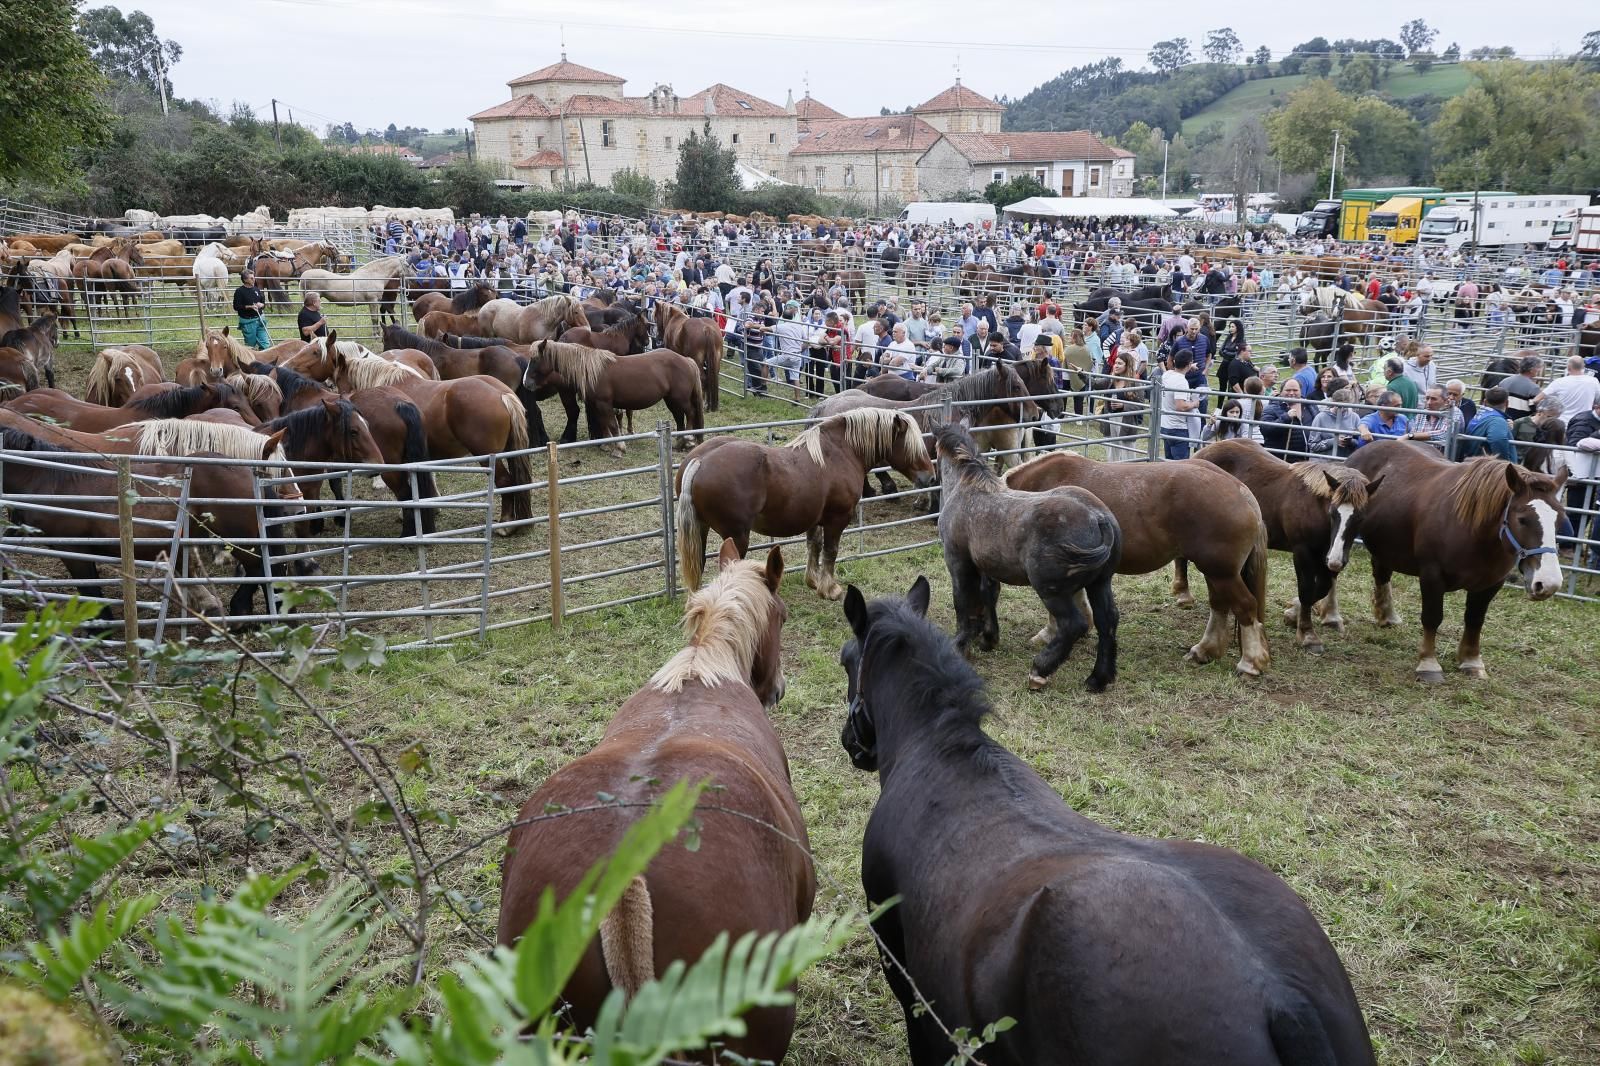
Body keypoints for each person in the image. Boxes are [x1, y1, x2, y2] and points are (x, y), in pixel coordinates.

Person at [1159, 349, 1199, 459]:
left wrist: (1190, 366)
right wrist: (1194, 404)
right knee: (1181, 467)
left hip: (1165, 425)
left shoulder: (1167, 374)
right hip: (1178, 428)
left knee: (1169, 463)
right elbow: (1180, 406)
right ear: (1189, 364)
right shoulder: (1181, 382)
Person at [1461, 386, 1517, 461]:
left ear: (1484, 402)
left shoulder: (1480, 415)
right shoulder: (1497, 421)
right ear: (1507, 403)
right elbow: (1498, 440)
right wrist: (1504, 464)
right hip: (1487, 468)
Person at [1540, 355, 1600, 423]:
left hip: (1561, 423)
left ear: (1568, 368)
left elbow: (1538, 399)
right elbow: (1598, 401)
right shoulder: (1593, 381)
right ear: (1583, 367)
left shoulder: (1559, 382)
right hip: (1582, 422)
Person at [1260, 378, 1309, 460]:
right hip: (1282, 461)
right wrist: (1286, 417)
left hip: (1307, 461)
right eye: (1288, 390)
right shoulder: (1271, 408)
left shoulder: (1309, 406)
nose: (1292, 393)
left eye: (1295, 390)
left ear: (1300, 391)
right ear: (1281, 391)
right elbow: (1265, 430)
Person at [1309, 388, 1362, 458]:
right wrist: (1333, 441)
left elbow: (1360, 443)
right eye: (1338, 406)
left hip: (1345, 462)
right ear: (1333, 402)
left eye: (1345, 407)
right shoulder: (1320, 417)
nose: (1341, 409)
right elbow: (1312, 445)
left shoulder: (1354, 417)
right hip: (1324, 462)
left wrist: (1350, 441)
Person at [1408, 386, 1461, 453]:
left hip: (1440, 459)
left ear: (1446, 401)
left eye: (1434, 399)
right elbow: (1413, 434)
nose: (1429, 402)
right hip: (1419, 454)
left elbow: (1444, 434)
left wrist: (1411, 436)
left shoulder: (1453, 411)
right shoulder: (1421, 414)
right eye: (1427, 398)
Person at [233, 270, 269, 349]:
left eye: (254, 277)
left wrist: (261, 305)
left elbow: (263, 303)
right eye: (251, 278)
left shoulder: (257, 289)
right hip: (248, 322)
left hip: (260, 320)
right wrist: (250, 307)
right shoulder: (239, 291)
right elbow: (236, 306)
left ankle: (264, 358)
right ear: (245, 280)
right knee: (250, 345)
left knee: (265, 344)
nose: (254, 279)